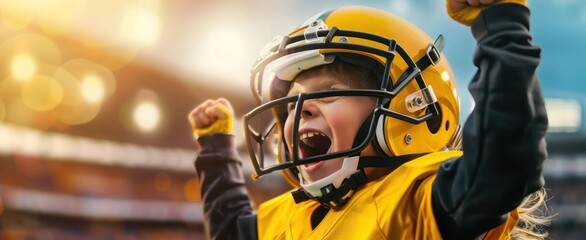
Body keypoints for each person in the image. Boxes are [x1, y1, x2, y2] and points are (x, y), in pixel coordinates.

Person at [188, 0, 550, 239]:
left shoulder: (413, 202)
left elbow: (504, 160)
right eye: (291, 102)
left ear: (411, 110)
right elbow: (231, 231)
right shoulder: (293, 216)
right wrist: (216, 149)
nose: (301, 110)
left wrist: (501, 24)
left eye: (327, 92)